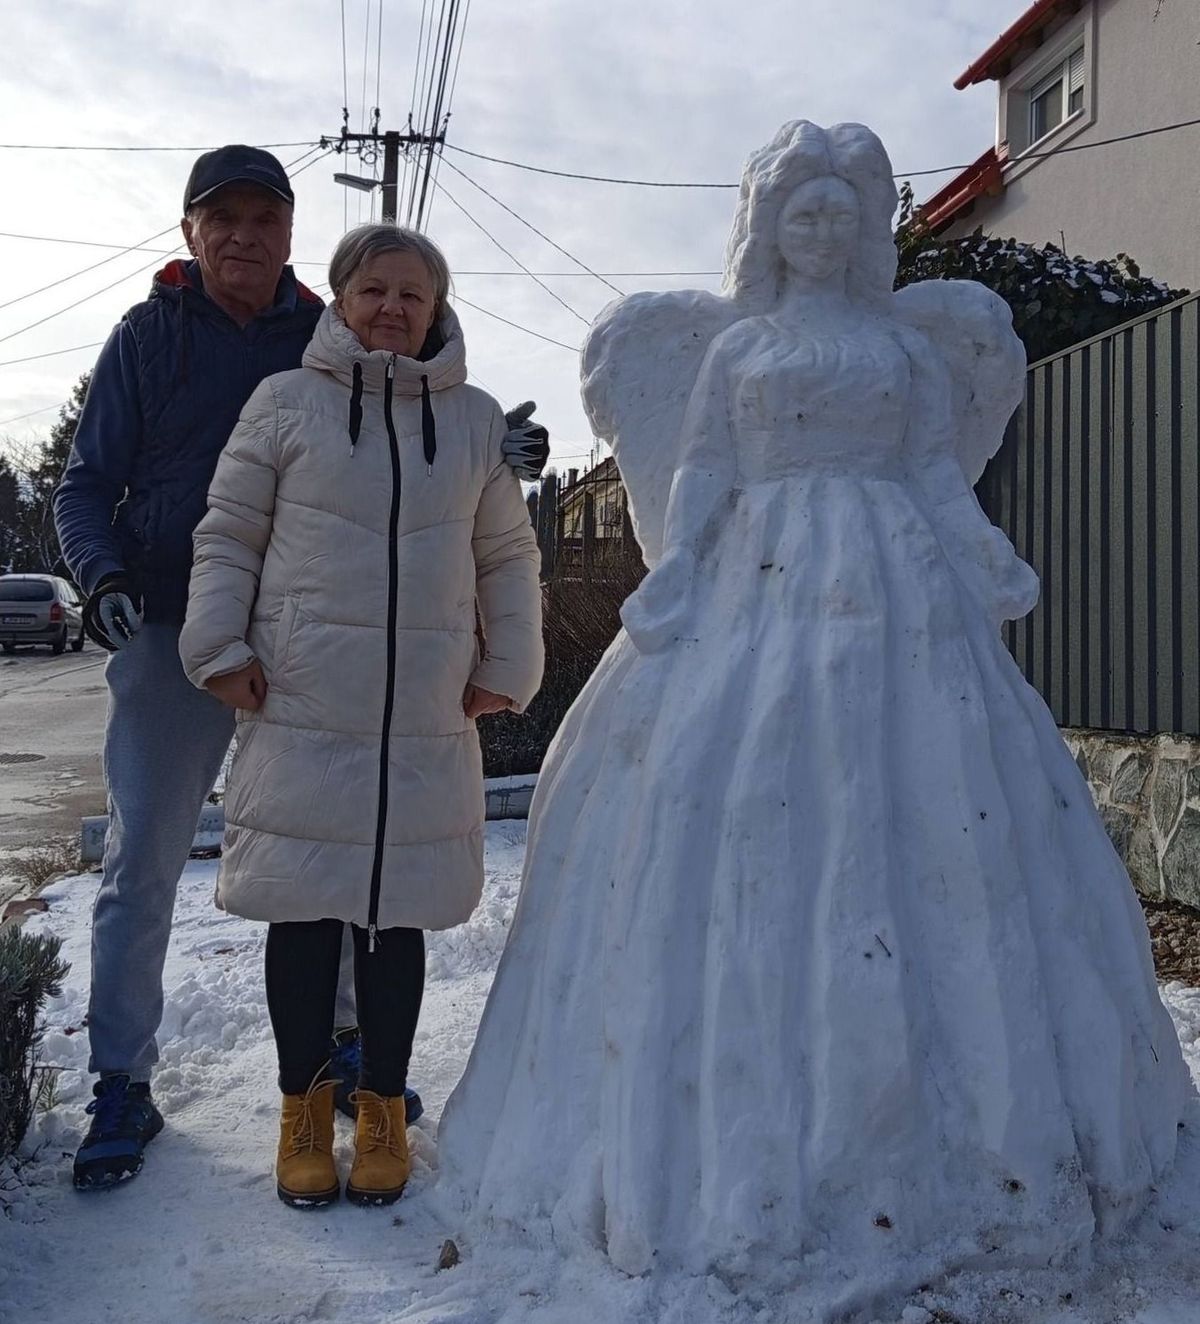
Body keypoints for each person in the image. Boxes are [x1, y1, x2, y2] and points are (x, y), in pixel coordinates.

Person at [436, 121, 1188, 1308]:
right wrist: (678, 564)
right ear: (770, 229)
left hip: (900, 585)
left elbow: (936, 466)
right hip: (754, 576)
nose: (826, 229)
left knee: (945, 805)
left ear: (868, 230)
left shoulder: (906, 352)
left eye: (845, 210)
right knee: (730, 805)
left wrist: (983, 548)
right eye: (805, 210)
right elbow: (704, 467)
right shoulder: (738, 351)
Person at [54, 147, 548, 1192]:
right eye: (219, 218)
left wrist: (496, 445)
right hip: (172, 615)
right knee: (145, 854)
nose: (241, 236)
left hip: (320, 648)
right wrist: (100, 579)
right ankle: (121, 1079)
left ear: (290, 234)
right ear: (191, 231)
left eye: (262, 218)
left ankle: (350, 1069)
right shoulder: (152, 337)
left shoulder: (330, 327)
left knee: (342, 844)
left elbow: (434, 436)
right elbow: (86, 482)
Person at [178, 223, 543, 1209]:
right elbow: (230, 531)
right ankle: (303, 1108)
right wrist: (218, 648)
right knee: (304, 910)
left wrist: (507, 662)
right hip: (301, 697)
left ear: (436, 310)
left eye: (412, 295)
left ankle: (380, 1107)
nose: (392, 307)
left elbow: (507, 555)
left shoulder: (471, 422)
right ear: (338, 300)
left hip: (424, 709)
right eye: (373, 289)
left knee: (397, 912)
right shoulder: (284, 405)